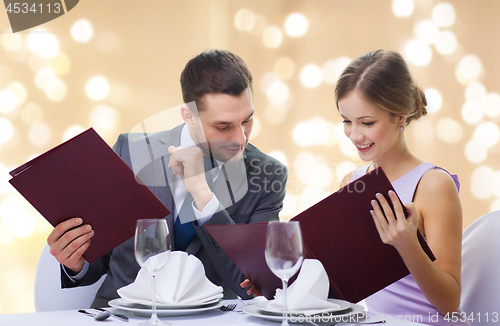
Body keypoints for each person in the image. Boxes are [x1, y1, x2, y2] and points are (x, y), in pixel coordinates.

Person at [47, 49, 288, 308]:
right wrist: (76, 264)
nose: (241, 138)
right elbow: (102, 261)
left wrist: (204, 196)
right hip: (124, 317)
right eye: (223, 126)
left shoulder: (268, 175)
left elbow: (253, 286)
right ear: (188, 116)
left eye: (247, 120)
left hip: (211, 320)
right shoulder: (130, 152)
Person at [336, 50, 469, 326]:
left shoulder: (433, 185)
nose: (355, 134)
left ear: (400, 117)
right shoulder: (351, 182)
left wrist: (407, 244)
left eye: (367, 122)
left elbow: (449, 302)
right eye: (347, 121)